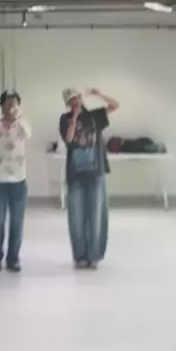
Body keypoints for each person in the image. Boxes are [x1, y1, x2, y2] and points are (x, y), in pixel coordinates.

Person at [59, 87, 120, 270]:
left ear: (80, 98)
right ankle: (80, 257)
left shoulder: (95, 116)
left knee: (96, 215)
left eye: (76, 98)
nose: (75, 102)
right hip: (75, 175)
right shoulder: (64, 119)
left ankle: (94, 256)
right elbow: (69, 139)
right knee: (76, 217)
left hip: (96, 172)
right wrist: (74, 119)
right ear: (67, 104)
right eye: (71, 100)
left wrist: (98, 95)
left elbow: (115, 105)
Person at [0, 90, 31, 273]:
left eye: (15, 103)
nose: (11, 107)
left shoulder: (22, 124)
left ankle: (13, 259)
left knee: (17, 223)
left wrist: (17, 119)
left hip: (18, 181)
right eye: (8, 103)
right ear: (2, 105)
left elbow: (27, 134)